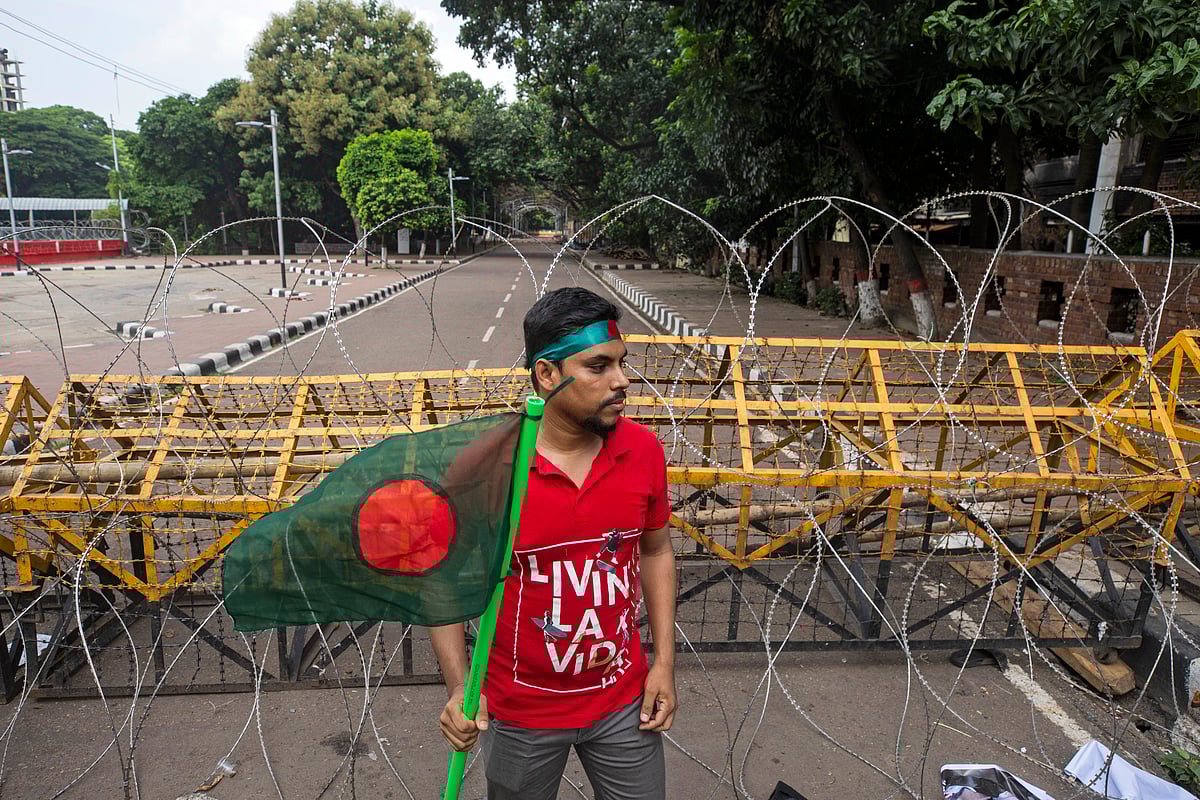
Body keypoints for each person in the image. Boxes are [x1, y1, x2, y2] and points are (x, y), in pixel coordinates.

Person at [430, 287, 677, 800]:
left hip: (623, 702)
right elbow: (446, 583)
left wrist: (664, 664)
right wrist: (460, 689)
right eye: (598, 367)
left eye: (622, 364)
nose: (621, 381)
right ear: (547, 375)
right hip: (521, 713)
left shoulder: (642, 449)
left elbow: (654, 551)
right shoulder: (488, 469)